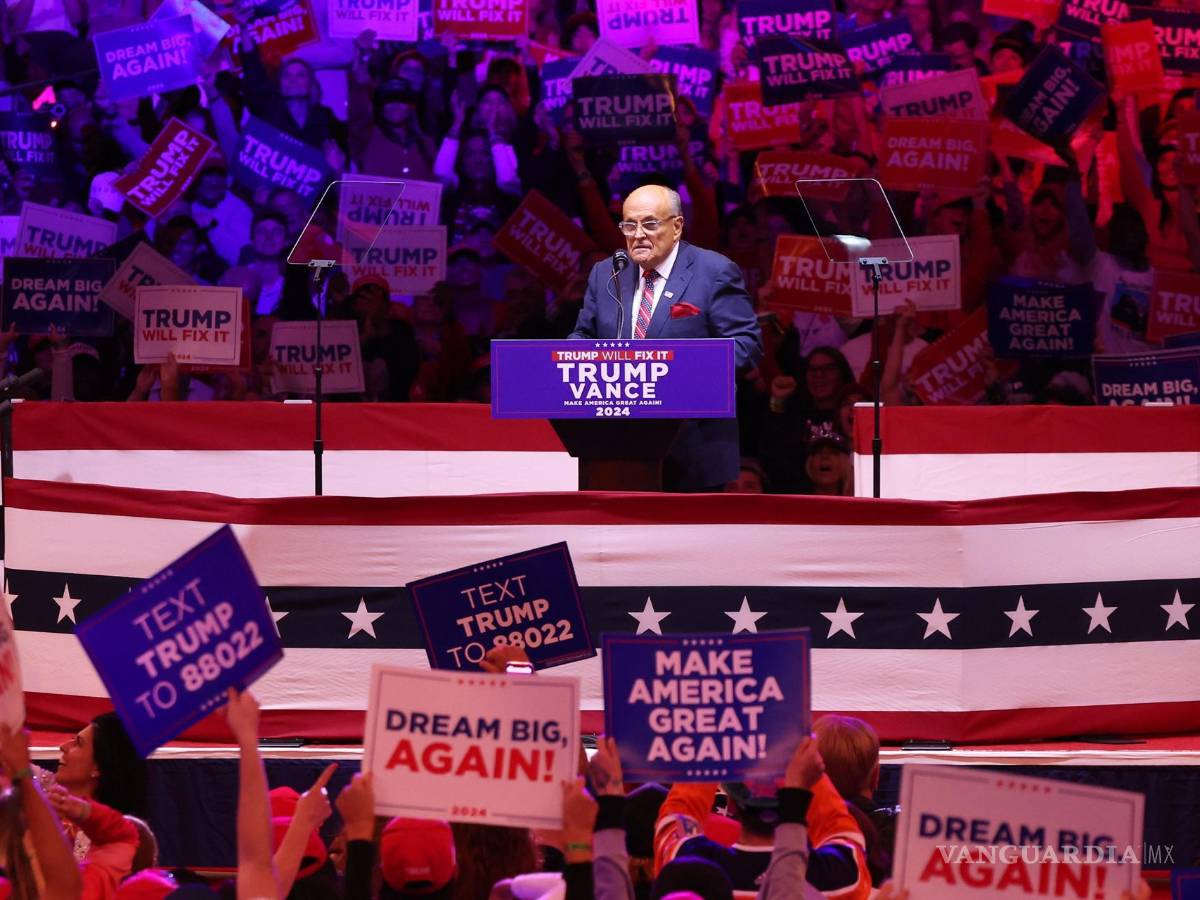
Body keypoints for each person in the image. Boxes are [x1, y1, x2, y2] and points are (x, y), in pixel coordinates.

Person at [569, 184, 763, 491]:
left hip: (693, 447)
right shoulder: (606, 274)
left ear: (677, 226)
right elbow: (583, 335)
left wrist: (672, 370)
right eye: (629, 225)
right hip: (614, 446)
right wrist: (568, 361)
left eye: (649, 224)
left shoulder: (714, 271)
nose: (637, 234)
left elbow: (746, 345)